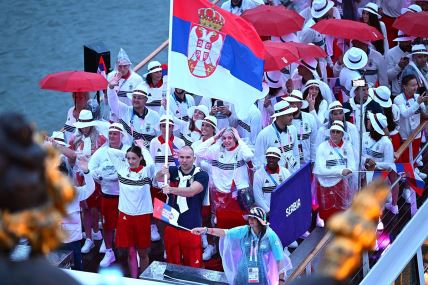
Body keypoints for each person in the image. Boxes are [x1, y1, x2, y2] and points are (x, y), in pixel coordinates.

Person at [191, 207, 291, 284]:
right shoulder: (244, 230)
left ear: (260, 221)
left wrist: (281, 280)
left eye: (254, 218)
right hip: (243, 272)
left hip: (261, 274)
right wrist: (205, 230)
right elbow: (225, 233)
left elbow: (279, 258)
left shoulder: (270, 236)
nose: (250, 220)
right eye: (250, 217)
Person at [55, 109, 107, 254]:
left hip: (96, 176)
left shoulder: (101, 139)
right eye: (82, 125)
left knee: (97, 207)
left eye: (87, 124)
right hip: (79, 175)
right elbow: (70, 158)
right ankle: (89, 238)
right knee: (84, 208)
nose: (84, 127)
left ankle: (98, 233)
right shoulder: (74, 139)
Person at [105, 141, 156, 278]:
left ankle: (144, 279)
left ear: (140, 158)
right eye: (128, 158)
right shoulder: (122, 168)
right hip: (125, 216)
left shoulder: (146, 171)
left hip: (142, 216)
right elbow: (109, 151)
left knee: (143, 253)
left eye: (134, 158)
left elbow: (151, 163)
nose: (130, 161)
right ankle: (134, 279)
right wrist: (128, 153)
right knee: (131, 252)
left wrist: (142, 148)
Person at [155, 146, 209, 268]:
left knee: (194, 265)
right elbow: (158, 178)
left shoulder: (201, 175)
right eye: (181, 157)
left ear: (194, 158)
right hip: (172, 223)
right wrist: (161, 172)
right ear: (178, 158)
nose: (184, 160)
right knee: (172, 264)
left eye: (188, 157)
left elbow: (191, 191)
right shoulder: (174, 170)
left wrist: (171, 189)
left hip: (191, 226)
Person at [194, 127, 254, 229]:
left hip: (239, 196)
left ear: (235, 138)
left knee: (240, 227)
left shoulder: (241, 150)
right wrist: (215, 137)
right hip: (221, 196)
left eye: (230, 138)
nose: (226, 141)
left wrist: (239, 139)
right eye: (224, 138)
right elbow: (197, 151)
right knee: (222, 228)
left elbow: (249, 156)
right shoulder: (217, 150)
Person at [88, 123, 130, 267]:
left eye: (115, 134)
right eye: (110, 134)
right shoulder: (101, 151)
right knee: (107, 226)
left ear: (121, 136)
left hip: (125, 196)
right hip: (107, 196)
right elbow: (90, 167)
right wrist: (99, 177)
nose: (112, 136)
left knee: (127, 225)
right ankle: (109, 252)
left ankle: (131, 252)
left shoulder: (127, 150)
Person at [313, 120, 356, 221]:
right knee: (327, 217)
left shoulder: (348, 146)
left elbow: (352, 166)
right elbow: (320, 170)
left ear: (342, 134)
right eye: (333, 131)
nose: (335, 134)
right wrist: (340, 172)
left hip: (341, 185)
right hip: (324, 186)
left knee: (340, 215)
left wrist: (348, 170)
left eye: (338, 132)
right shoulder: (322, 147)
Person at [59, 156, 95, 271]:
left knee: (76, 270)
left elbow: (90, 188)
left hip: (72, 240)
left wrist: (86, 171)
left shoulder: (75, 192)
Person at [362, 113, 398, 215]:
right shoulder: (364, 137)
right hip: (365, 168)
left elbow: (389, 165)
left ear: (374, 125)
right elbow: (359, 155)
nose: (367, 121)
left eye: (370, 120)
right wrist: (366, 161)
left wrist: (375, 165)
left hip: (380, 171)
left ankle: (393, 205)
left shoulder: (386, 142)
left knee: (393, 174)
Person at [107, 80, 160, 146]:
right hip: (127, 153)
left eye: (139, 98)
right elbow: (113, 101)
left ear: (146, 100)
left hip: (147, 153)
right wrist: (111, 88)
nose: (136, 100)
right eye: (134, 97)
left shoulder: (154, 116)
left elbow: (159, 138)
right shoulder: (125, 110)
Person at [254, 101, 300, 173]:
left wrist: (297, 173)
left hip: (292, 176)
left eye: (292, 114)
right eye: (289, 115)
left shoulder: (293, 129)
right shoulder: (264, 134)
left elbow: (296, 154)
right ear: (280, 116)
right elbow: (258, 161)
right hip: (274, 178)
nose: (292, 117)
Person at [393, 74, 428, 163]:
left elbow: (425, 114)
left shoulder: (417, 96)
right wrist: (418, 103)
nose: (415, 87)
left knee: (414, 157)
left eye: (416, 84)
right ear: (404, 87)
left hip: (417, 134)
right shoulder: (398, 99)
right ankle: (405, 176)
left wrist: (425, 104)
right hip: (404, 137)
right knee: (405, 160)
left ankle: (414, 171)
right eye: (412, 85)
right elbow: (405, 114)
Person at [283, 90, 318, 164]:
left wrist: (313, 162)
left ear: (301, 104)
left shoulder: (310, 118)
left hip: (306, 163)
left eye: (295, 102)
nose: (292, 105)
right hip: (289, 164)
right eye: (290, 102)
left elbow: (313, 143)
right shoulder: (282, 120)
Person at [253, 147, 291, 213]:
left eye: (274, 158)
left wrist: (285, 209)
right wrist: (268, 211)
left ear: (278, 159)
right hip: (267, 213)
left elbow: (289, 193)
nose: (271, 160)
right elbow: (258, 197)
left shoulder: (286, 172)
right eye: (269, 157)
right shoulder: (258, 174)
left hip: (283, 211)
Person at [385, 31, 415, 97]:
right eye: (405, 41)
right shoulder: (390, 53)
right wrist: (399, 66)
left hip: (414, 92)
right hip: (397, 93)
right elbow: (388, 76)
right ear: (399, 41)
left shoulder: (414, 51)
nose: (408, 43)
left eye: (409, 41)